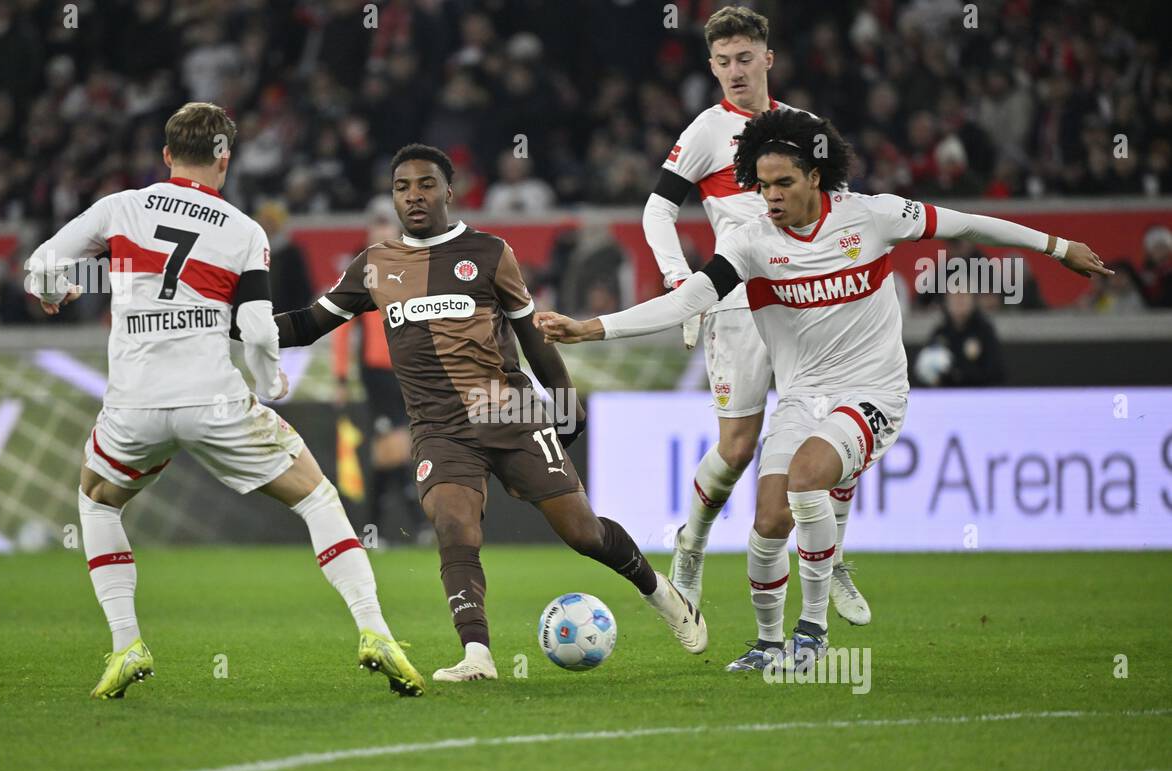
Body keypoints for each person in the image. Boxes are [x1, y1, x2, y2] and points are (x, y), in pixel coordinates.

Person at [537, 108, 1111, 672]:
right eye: (762, 186)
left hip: (873, 390)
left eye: (784, 182)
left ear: (816, 176)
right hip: (802, 395)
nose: (772, 197)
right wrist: (592, 329)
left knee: (808, 478)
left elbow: (966, 223)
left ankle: (812, 632)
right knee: (766, 524)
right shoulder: (752, 243)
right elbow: (689, 299)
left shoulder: (872, 217)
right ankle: (767, 643)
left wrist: (1058, 248)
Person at [26, 102, 425, 700]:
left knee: (99, 504)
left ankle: (126, 643)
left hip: (133, 405)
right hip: (213, 401)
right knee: (317, 497)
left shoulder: (120, 208)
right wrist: (269, 385)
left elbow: (40, 267)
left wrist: (52, 289)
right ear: (224, 157)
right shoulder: (243, 230)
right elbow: (260, 329)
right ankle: (374, 631)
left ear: (166, 156)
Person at [273, 143, 705, 683]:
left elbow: (535, 339)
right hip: (438, 426)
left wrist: (567, 407)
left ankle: (661, 593)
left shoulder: (489, 252)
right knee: (454, 526)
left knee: (583, 533)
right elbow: (308, 324)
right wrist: (236, 322)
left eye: (426, 185)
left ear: (449, 191)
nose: (414, 196)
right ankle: (477, 654)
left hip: (509, 407)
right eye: (403, 187)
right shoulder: (376, 266)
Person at [642, 6, 870, 626]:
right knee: (738, 447)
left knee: (827, 429)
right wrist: (680, 279)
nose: (735, 72)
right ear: (711, 66)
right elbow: (656, 212)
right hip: (739, 302)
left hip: (805, 303)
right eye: (723, 62)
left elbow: (843, 206)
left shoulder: (804, 128)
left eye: (745, 59)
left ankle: (834, 554)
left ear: (768, 59)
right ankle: (690, 545)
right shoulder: (707, 130)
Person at [331, 213, 426, 542]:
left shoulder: (412, 274)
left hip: (407, 372)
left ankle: (372, 531)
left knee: (389, 451)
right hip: (376, 373)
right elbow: (340, 328)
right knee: (396, 446)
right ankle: (418, 523)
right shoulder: (360, 278)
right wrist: (341, 377)